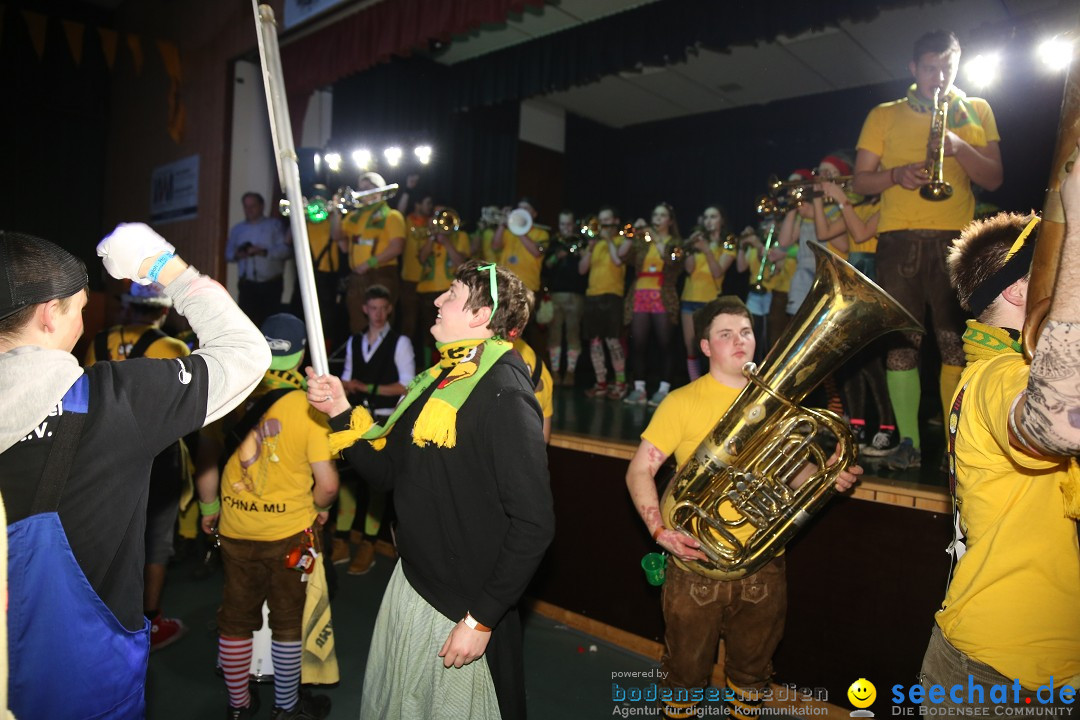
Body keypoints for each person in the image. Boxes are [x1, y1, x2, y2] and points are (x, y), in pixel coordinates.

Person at [0, 224, 269, 719]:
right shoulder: (114, 402)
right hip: (83, 687)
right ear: (46, 314)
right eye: (79, 308)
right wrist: (164, 266)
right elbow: (245, 353)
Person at [306, 260, 555, 720]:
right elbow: (386, 473)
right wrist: (341, 410)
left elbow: (535, 524)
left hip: (461, 606)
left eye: (452, 295)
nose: (437, 301)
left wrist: (481, 620)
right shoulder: (437, 381)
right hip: (414, 583)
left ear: (481, 317)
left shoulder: (505, 394)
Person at [625, 297, 861, 720]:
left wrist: (827, 476)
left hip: (762, 567)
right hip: (694, 562)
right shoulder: (682, 401)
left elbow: (795, 472)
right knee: (683, 679)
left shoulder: (777, 406)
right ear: (705, 347)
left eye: (747, 332)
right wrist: (660, 532)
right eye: (726, 334)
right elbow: (639, 471)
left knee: (752, 681)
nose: (740, 341)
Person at [917, 198, 1080, 710]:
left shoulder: (1000, 369)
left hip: (1010, 664)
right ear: (1017, 288)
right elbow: (1055, 425)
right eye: (1054, 271)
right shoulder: (999, 374)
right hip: (997, 676)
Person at [853, 29, 1003, 470]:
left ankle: (957, 447)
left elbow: (994, 177)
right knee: (901, 343)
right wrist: (895, 175)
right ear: (914, 69)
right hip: (898, 238)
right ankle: (909, 444)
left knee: (956, 343)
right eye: (932, 67)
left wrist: (958, 146)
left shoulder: (976, 109)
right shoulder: (884, 114)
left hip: (958, 241)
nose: (941, 75)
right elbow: (861, 181)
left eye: (949, 67)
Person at [198, 313, 339, 720]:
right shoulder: (311, 409)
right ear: (298, 357)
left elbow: (207, 459)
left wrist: (210, 509)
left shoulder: (228, 393)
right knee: (287, 619)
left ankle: (239, 706)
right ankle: (286, 707)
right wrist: (322, 510)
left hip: (237, 530)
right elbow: (327, 484)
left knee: (236, 617)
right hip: (289, 534)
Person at [84, 282, 193, 652]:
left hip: (101, 454)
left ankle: (102, 615)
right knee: (155, 541)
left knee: (105, 533)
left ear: (129, 307)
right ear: (163, 311)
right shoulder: (173, 348)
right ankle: (150, 622)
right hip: (158, 456)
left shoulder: (97, 342)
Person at [338, 284, 416, 575]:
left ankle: (369, 545)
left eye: (384, 308)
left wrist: (367, 387)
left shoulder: (401, 342)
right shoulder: (353, 342)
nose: (379, 313)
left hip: (384, 418)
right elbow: (348, 378)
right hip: (358, 418)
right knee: (347, 479)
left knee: (376, 484)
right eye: (373, 308)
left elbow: (408, 385)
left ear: (390, 309)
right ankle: (342, 539)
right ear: (364, 309)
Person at [620, 202, 682, 406]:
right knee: (638, 343)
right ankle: (639, 389)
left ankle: (664, 389)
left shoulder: (675, 242)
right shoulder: (641, 239)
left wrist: (653, 237)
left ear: (670, 220)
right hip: (639, 295)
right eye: (655, 214)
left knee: (665, 344)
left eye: (662, 215)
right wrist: (631, 234)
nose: (657, 218)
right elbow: (622, 255)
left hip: (663, 296)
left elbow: (672, 260)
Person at [333, 171, 406, 335]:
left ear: (379, 191)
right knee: (357, 322)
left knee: (380, 322)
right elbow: (337, 236)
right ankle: (361, 357)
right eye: (361, 187)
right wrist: (337, 212)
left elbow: (397, 247)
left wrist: (369, 263)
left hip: (381, 274)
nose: (361, 191)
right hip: (357, 277)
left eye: (368, 187)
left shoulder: (392, 216)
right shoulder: (353, 216)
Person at [680, 205, 735, 380]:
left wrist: (707, 250)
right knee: (691, 347)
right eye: (706, 217)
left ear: (721, 221)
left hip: (711, 301)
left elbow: (718, 272)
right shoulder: (697, 243)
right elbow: (689, 269)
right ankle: (695, 384)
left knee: (711, 348)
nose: (709, 221)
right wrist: (689, 247)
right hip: (689, 299)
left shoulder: (728, 243)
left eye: (713, 216)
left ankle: (713, 384)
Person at [579, 206, 629, 400]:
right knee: (595, 342)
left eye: (607, 221)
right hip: (593, 295)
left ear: (615, 221)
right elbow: (582, 270)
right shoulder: (594, 244)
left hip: (612, 295)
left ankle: (620, 382)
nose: (603, 225)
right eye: (601, 221)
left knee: (613, 341)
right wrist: (590, 250)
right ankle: (601, 382)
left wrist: (608, 240)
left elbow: (618, 261)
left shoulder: (622, 241)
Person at [226, 191, 291, 327]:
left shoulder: (275, 226)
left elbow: (286, 252)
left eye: (253, 206)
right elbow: (228, 254)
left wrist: (263, 252)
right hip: (247, 286)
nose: (249, 210)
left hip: (271, 285)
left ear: (262, 206)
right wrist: (239, 254)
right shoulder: (238, 230)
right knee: (245, 324)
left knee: (271, 324)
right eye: (246, 206)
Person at [544, 209, 588, 386]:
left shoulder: (582, 243)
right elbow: (546, 266)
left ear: (574, 224)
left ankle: (570, 372)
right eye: (562, 224)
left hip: (576, 295)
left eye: (568, 224)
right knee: (554, 335)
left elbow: (586, 269)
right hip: (556, 295)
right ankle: (555, 372)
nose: (566, 228)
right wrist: (557, 256)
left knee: (573, 335)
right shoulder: (554, 243)